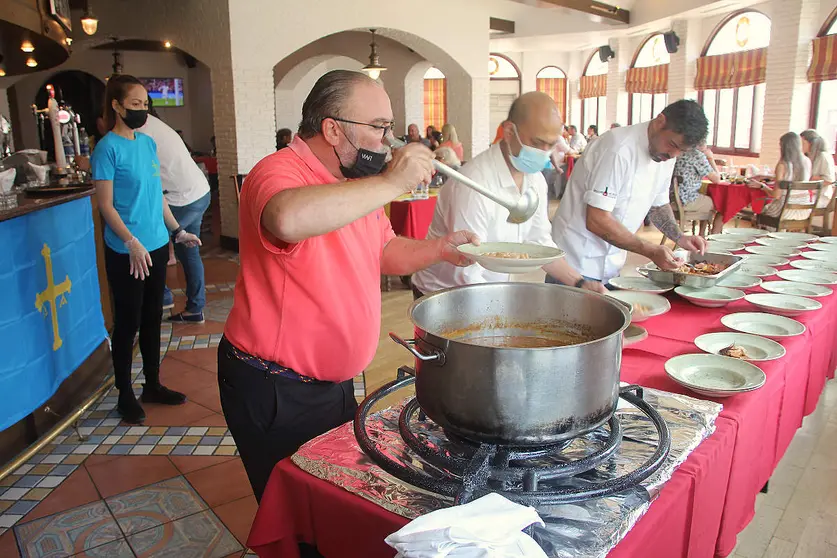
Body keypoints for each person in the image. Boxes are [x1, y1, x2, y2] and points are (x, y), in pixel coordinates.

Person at [219, 70, 478, 501]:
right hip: (277, 386)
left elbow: (382, 250)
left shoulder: (353, 185)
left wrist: (440, 249)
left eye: (389, 128)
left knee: (330, 496)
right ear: (333, 129)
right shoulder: (278, 170)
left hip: (331, 383)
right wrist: (392, 182)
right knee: (298, 508)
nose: (388, 140)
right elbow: (287, 218)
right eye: (378, 127)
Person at [412, 92, 606, 296]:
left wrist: (579, 282)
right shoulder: (475, 183)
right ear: (509, 132)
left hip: (485, 290)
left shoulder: (535, 180)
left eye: (551, 145)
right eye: (538, 143)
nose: (544, 152)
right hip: (442, 294)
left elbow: (539, 242)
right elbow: (467, 269)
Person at [91, 74, 201, 424]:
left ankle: (152, 384)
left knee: (153, 316)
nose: (142, 110)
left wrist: (178, 231)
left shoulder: (147, 143)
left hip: (154, 244)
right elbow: (106, 205)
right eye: (135, 104)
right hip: (127, 250)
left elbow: (157, 198)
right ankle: (125, 392)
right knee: (128, 322)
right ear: (117, 105)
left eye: (145, 104)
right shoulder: (107, 148)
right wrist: (130, 241)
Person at [551, 99, 709, 283]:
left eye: (682, 151)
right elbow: (596, 219)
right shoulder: (618, 148)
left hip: (612, 262)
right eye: (673, 145)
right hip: (575, 260)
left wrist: (680, 237)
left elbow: (658, 205)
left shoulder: (666, 155)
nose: (673, 155)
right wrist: (650, 250)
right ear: (660, 122)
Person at [137, 103, 211, 323]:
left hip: (182, 198)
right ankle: (195, 309)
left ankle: (164, 297)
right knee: (188, 251)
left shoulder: (140, 132)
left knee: (149, 243)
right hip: (198, 191)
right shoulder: (155, 125)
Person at [749, 132, 813, 222]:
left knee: (758, 215)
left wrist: (762, 186)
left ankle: (767, 234)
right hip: (804, 210)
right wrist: (770, 177)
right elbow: (795, 179)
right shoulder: (807, 161)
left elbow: (776, 195)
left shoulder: (783, 165)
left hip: (784, 211)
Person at [673, 142, 723, 234]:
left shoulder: (679, 151)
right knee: (720, 203)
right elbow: (717, 179)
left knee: (706, 199)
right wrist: (710, 158)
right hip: (687, 200)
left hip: (671, 200)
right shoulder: (697, 155)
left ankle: (701, 235)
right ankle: (710, 236)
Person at [801, 129, 835, 210]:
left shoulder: (823, 156)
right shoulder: (806, 157)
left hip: (821, 197)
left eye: (803, 143)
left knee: (791, 203)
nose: (800, 145)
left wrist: (810, 178)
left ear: (811, 143)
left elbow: (829, 180)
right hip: (807, 193)